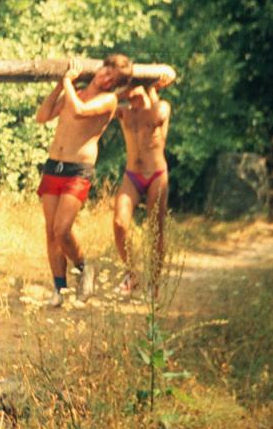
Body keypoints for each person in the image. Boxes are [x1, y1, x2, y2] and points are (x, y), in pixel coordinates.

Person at [34, 55, 132, 307]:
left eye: (113, 80)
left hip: (77, 169)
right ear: (101, 68)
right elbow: (42, 116)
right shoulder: (73, 92)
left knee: (62, 229)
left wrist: (67, 82)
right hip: (53, 166)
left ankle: (84, 266)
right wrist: (60, 85)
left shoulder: (108, 100)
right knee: (50, 232)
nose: (106, 79)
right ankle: (59, 290)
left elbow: (80, 111)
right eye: (106, 71)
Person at [112, 74, 174, 295]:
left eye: (134, 89)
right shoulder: (125, 112)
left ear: (144, 88)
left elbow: (160, 114)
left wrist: (151, 89)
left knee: (156, 227)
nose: (130, 95)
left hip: (156, 175)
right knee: (119, 223)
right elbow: (105, 106)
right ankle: (132, 275)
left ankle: (154, 282)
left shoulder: (160, 107)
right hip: (132, 175)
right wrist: (121, 91)